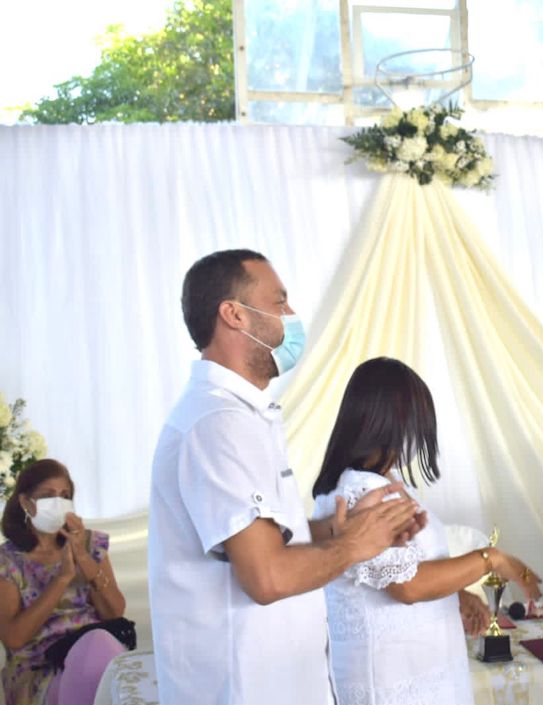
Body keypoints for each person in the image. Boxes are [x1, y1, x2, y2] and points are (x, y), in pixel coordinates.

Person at [148, 250, 422, 705]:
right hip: (243, 688)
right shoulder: (217, 422)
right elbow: (266, 577)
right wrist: (356, 545)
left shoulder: (243, 416)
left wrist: (340, 528)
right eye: (279, 303)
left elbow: (260, 544)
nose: (292, 317)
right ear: (234, 314)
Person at [312, 357, 543, 705]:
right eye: (416, 418)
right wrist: (491, 559)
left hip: (423, 669)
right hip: (392, 678)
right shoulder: (361, 489)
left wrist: (456, 596)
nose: (419, 431)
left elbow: (409, 568)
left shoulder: (387, 482)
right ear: (387, 420)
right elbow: (407, 586)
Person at [0, 459, 127, 705]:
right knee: (101, 663)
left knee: (99, 646)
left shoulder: (91, 544)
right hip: (39, 669)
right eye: (47, 495)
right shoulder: (2, 561)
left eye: (65, 495)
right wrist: (63, 577)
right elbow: (13, 638)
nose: (58, 502)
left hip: (96, 654)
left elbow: (115, 612)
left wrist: (84, 560)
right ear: (26, 502)